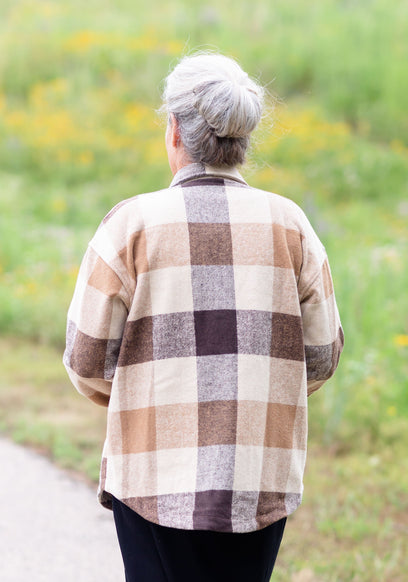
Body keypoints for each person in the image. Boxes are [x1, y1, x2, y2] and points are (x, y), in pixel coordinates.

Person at [64, 52, 344, 582]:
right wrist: (259, 391)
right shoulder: (292, 225)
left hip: (151, 476)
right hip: (257, 479)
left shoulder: (130, 225)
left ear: (174, 131)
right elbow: (321, 355)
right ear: (243, 138)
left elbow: (85, 360)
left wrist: (142, 395)